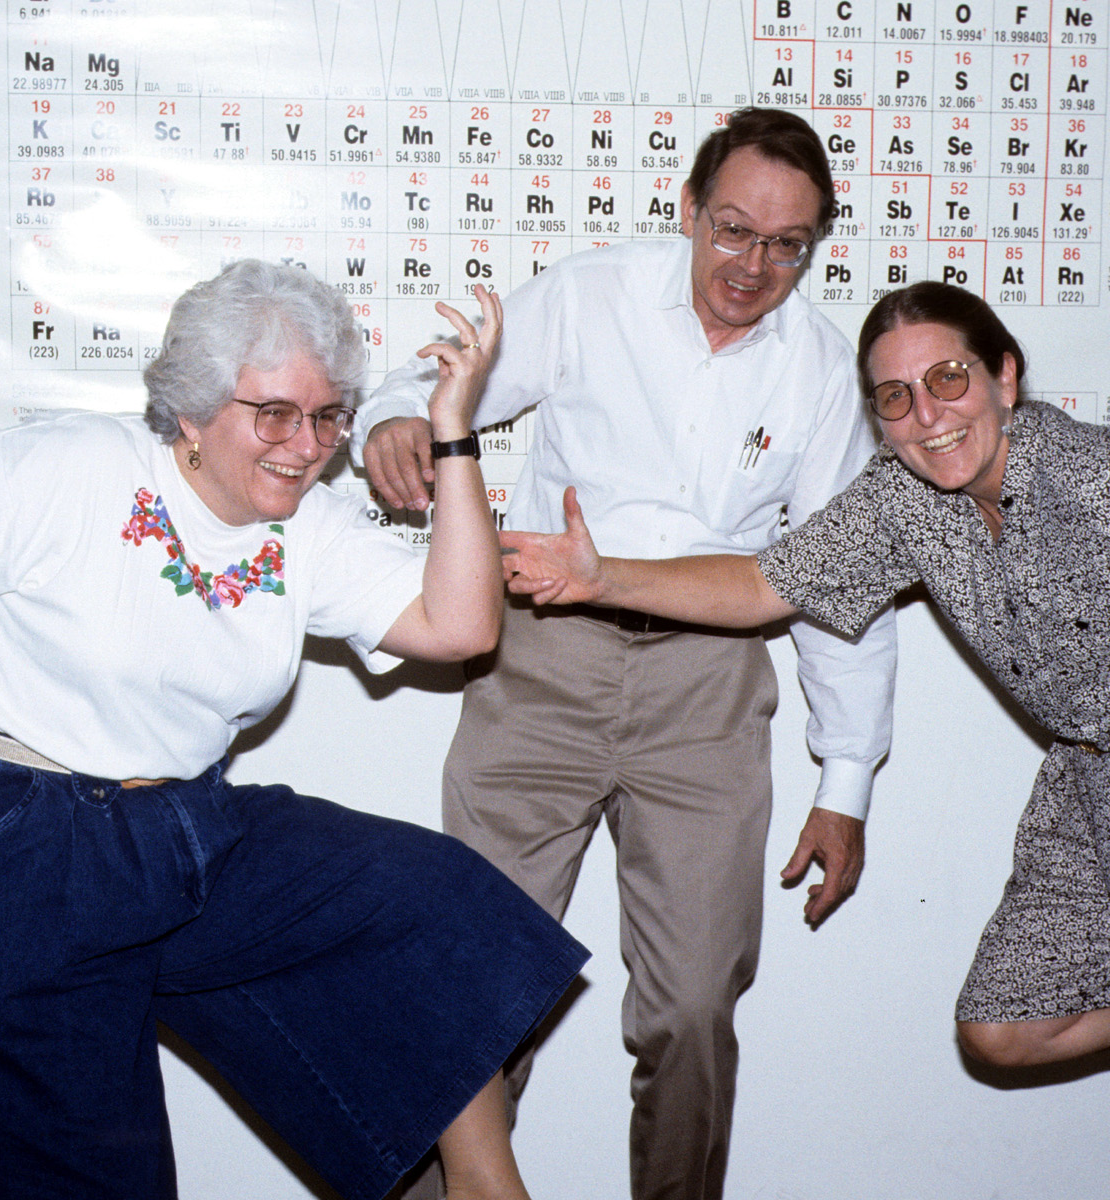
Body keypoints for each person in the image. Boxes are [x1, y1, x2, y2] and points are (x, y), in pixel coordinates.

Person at [0, 260, 588, 1200]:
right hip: (16, 844)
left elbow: (461, 626)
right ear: (192, 410)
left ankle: (482, 1184)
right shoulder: (67, 470)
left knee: (426, 902)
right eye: (275, 414)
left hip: (181, 827)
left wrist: (453, 434)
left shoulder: (308, 525)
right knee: (85, 1172)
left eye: (329, 415)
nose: (307, 446)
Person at [500, 280, 1110, 1200]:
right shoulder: (905, 500)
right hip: (1097, 778)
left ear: (1004, 377)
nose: (928, 416)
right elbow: (761, 586)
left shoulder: (1105, 482)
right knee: (1002, 1028)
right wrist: (601, 576)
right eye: (895, 397)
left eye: (948, 379)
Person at [353, 108, 896, 1200]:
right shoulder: (591, 294)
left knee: (694, 1005)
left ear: (813, 249)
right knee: (475, 987)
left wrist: (846, 785)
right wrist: (395, 420)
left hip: (708, 686)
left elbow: (840, 584)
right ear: (689, 210)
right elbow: (432, 379)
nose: (752, 266)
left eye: (786, 246)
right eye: (733, 229)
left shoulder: (820, 370)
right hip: (539, 667)